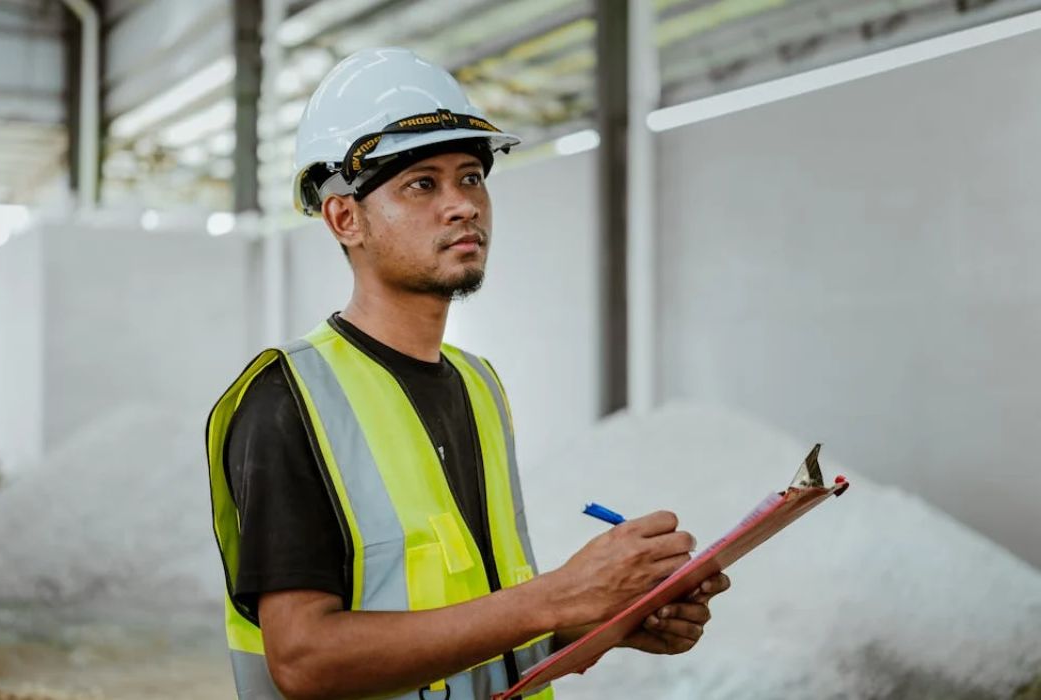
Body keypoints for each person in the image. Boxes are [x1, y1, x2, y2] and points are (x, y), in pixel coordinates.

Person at [204, 47, 730, 700]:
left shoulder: (479, 387)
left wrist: (610, 618)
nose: (463, 206)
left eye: (471, 178)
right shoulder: (288, 401)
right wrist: (556, 598)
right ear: (345, 217)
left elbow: (483, 638)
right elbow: (305, 661)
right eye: (422, 183)